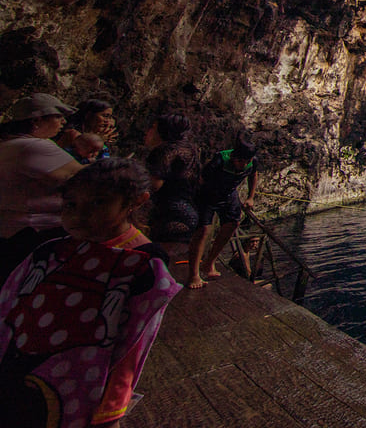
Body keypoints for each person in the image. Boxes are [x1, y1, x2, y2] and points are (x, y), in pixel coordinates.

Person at [0, 158, 181, 428]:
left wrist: (112, 408)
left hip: (83, 384)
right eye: (71, 205)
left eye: (98, 203)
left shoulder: (143, 265)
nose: (79, 216)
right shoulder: (51, 250)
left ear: (137, 201)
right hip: (22, 369)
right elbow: (9, 305)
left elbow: (133, 346)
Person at [0, 94, 83, 281]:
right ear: (37, 120)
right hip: (35, 234)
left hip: (10, 231)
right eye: (58, 116)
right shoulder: (34, 146)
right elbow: (86, 176)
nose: (63, 121)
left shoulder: (7, 145)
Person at [187, 134, 259, 289]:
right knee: (204, 231)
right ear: (233, 156)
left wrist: (251, 197)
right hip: (208, 194)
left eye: (246, 161)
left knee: (232, 224)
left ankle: (209, 263)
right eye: (240, 161)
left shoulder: (252, 162)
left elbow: (253, 176)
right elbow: (201, 181)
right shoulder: (219, 160)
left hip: (229, 193)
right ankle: (194, 275)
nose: (243, 164)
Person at [144, 114, 200, 245]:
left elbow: (154, 185)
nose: (148, 131)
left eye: (153, 127)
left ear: (162, 131)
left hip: (168, 213)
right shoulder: (189, 149)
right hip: (189, 212)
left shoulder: (163, 151)